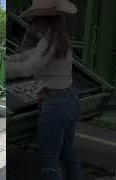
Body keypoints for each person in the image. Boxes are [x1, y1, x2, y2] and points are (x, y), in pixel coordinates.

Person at [7, 0, 82, 180]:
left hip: (54, 105)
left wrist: (2, 68)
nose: (32, 23)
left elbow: (28, 68)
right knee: (68, 153)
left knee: (50, 163)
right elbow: (29, 56)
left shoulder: (49, 42)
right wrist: (11, 58)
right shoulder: (58, 39)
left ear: (43, 20)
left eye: (34, 19)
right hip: (70, 100)